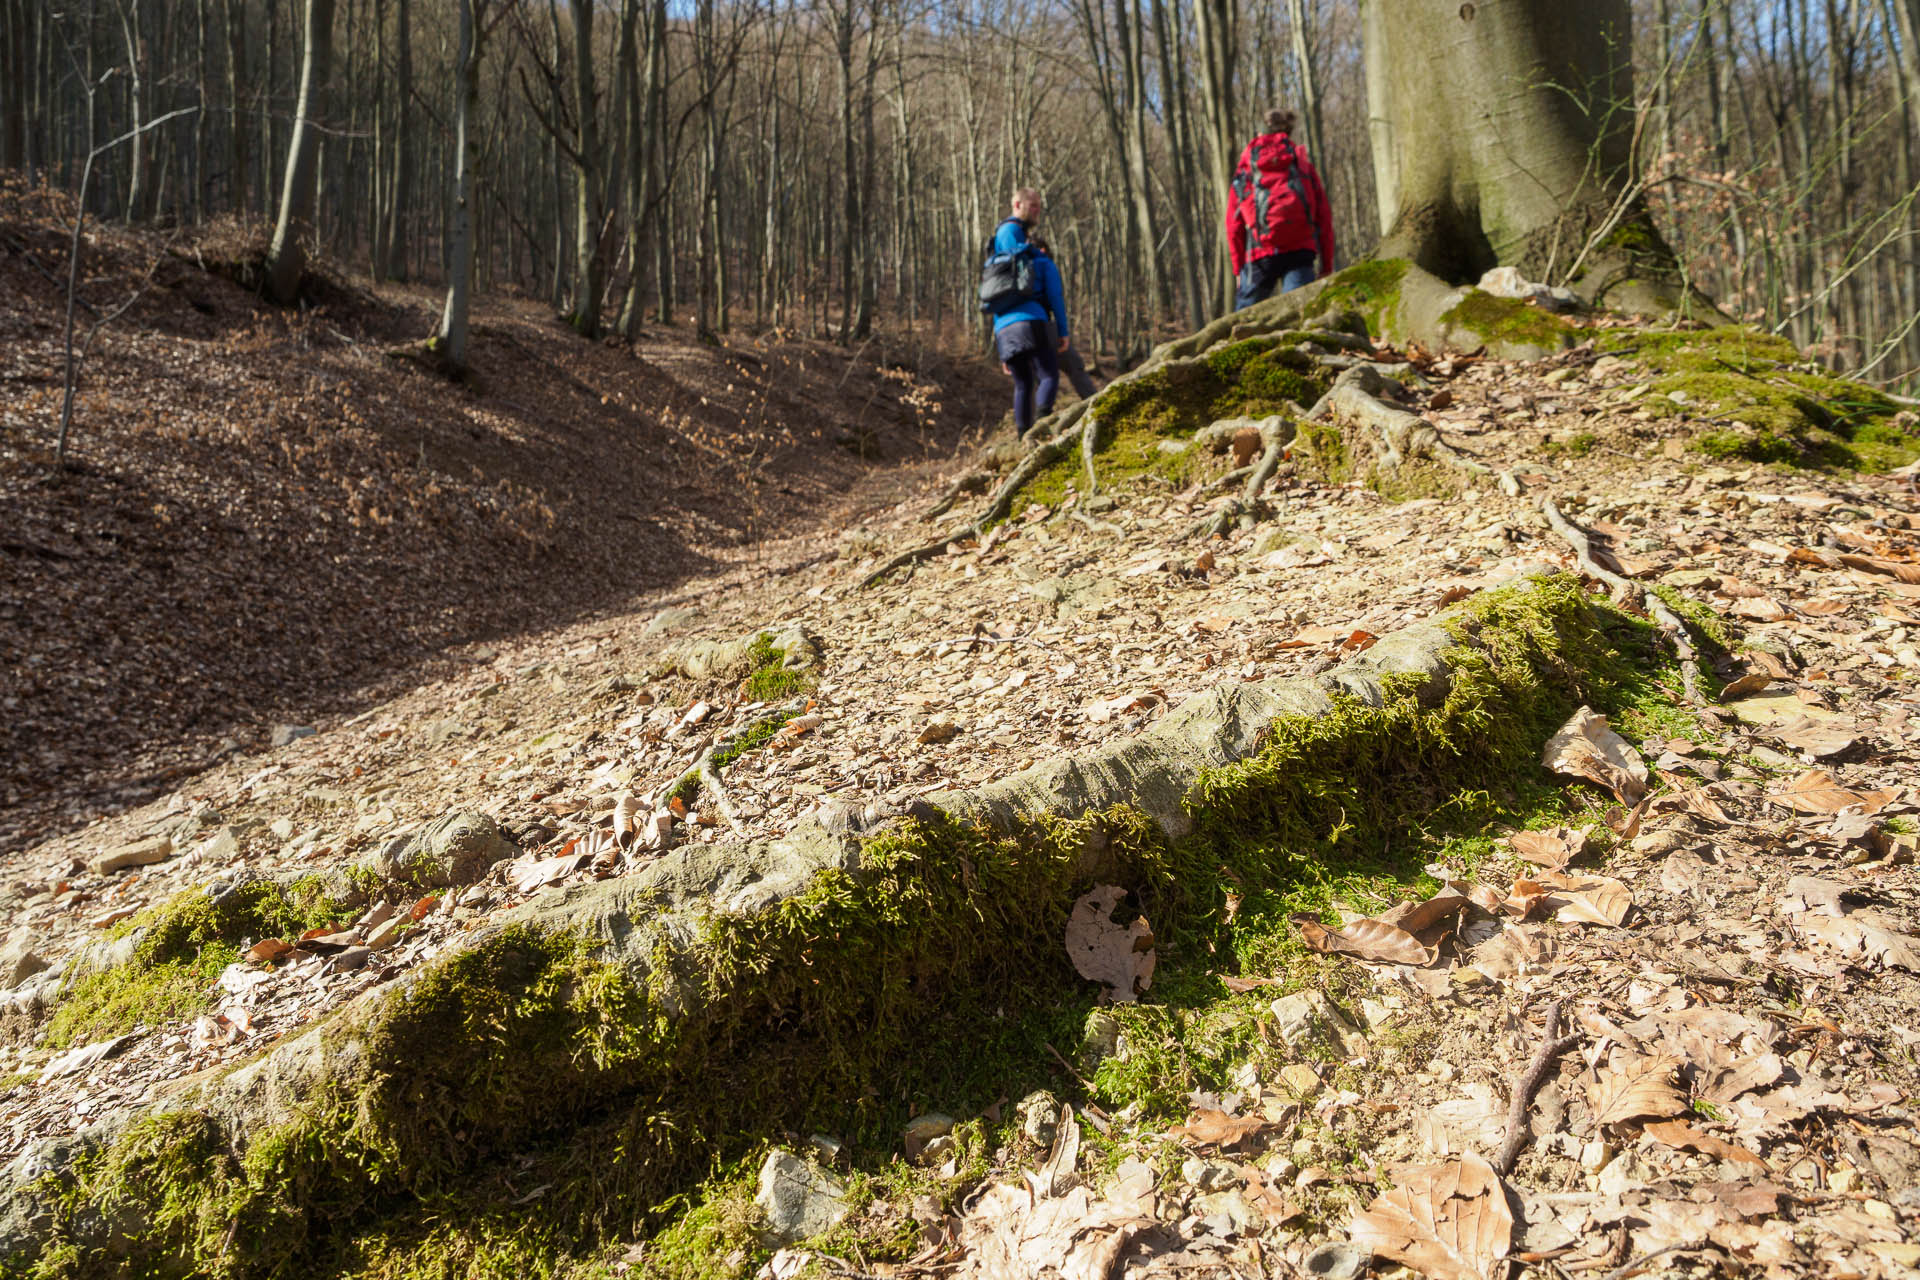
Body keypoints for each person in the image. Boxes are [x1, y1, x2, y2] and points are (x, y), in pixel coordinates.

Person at [1226, 108, 1335, 310]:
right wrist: (1326, 265)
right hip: (1300, 251)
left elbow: (1233, 226)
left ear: (1260, 132)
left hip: (1258, 255)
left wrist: (1238, 269)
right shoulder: (1302, 165)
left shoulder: (1246, 169)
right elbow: (1323, 217)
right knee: (1300, 314)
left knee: (1245, 320)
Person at [984, 189, 1070, 436]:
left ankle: (1024, 437)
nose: (1036, 212)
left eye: (1038, 207)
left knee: (1022, 384)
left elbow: (999, 296)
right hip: (1032, 321)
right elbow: (1055, 297)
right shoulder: (1031, 253)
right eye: (1032, 206)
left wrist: (1002, 346)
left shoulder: (998, 261)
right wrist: (1062, 331)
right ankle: (1042, 428)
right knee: (1049, 376)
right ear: (1017, 204)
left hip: (1004, 329)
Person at [1029, 236, 1098, 401]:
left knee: (1033, 379)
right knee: (1073, 365)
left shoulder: (1013, 267)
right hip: (1042, 326)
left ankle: (1034, 423)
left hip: (1014, 332)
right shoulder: (1044, 263)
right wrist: (1063, 332)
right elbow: (1055, 299)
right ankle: (1095, 404)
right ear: (1044, 250)